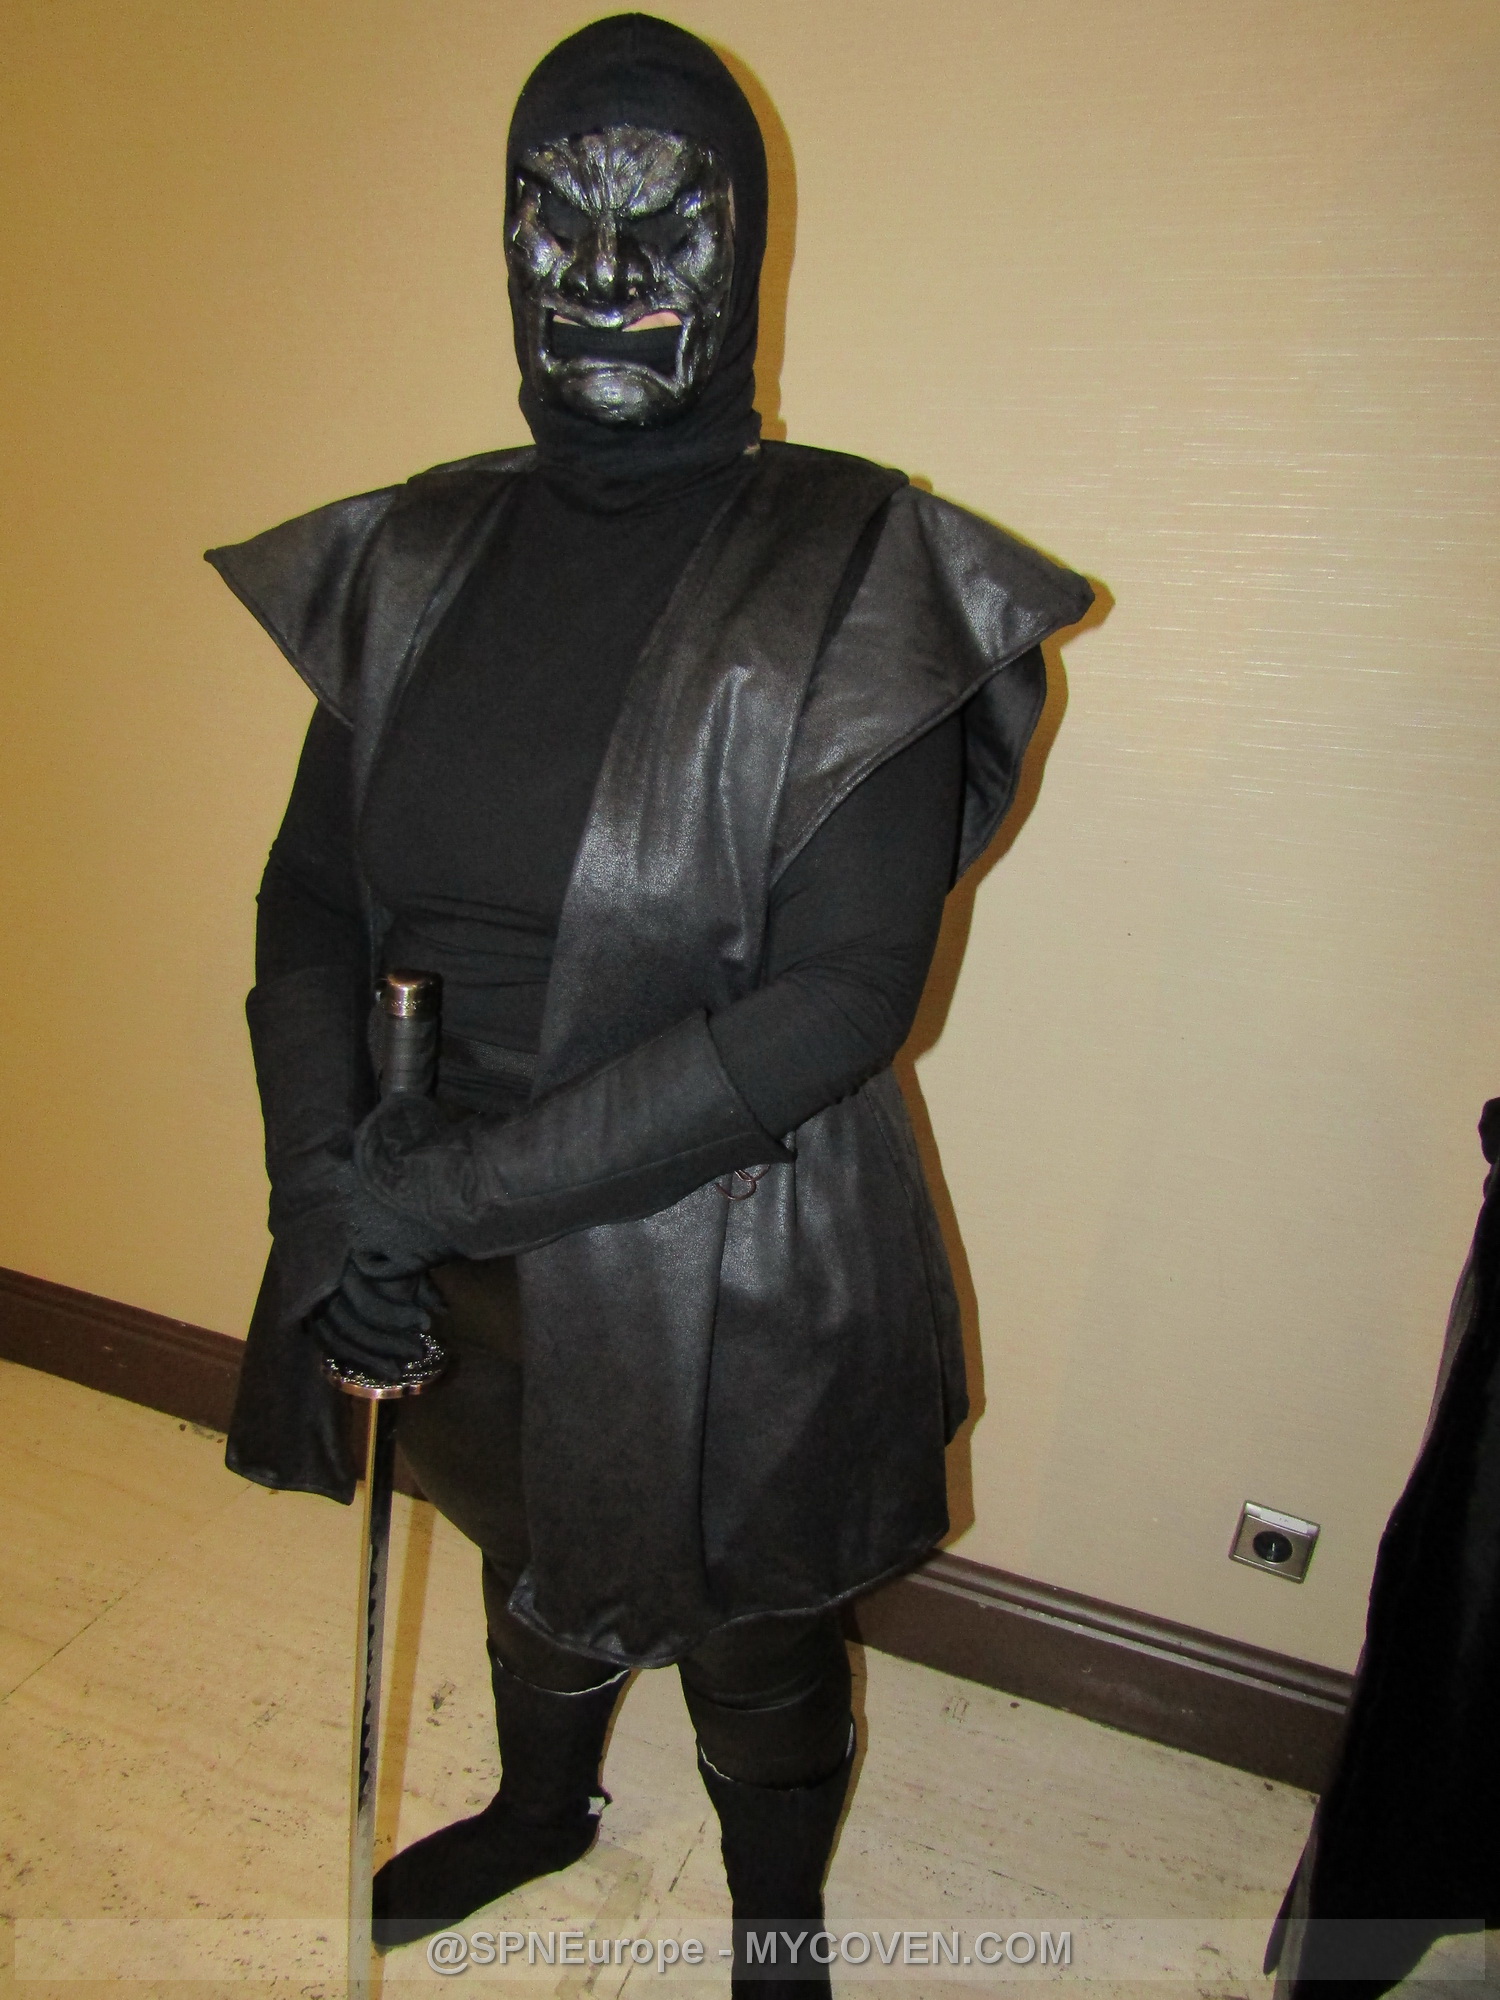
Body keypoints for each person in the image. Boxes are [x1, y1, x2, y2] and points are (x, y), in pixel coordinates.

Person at [208, 14, 1091, 1986]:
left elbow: (840, 1000)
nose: (605, 275)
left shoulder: (861, 568)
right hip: (437, 1217)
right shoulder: (418, 553)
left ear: (748, 246)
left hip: (728, 1229)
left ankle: (776, 1917)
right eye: (556, 218)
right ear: (499, 239)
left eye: (666, 223)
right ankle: (543, 1807)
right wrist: (324, 1188)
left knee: (754, 1625)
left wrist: (426, 1198)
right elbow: (310, 895)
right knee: (525, 1544)